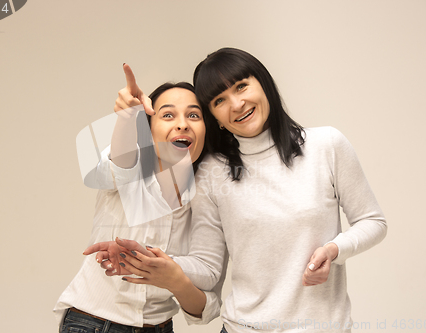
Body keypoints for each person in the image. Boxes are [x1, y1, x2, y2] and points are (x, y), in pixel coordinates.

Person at [97, 48, 388, 333]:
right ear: (215, 118)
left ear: (263, 83)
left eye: (241, 86)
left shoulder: (326, 145)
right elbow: (207, 266)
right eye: (220, 100)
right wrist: (147, 258)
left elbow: (373, 221)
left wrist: (335, 250)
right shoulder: (212, 171)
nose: (236, 104)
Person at [54, 64, 219, 333]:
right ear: (149, 130)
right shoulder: (133, 163)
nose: (182, 124)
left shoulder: (208, 194)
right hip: (94, 323)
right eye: (167, 115)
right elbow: (119, 166)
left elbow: (206, 287)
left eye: (193, 115)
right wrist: (126, 118)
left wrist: (163, 267)